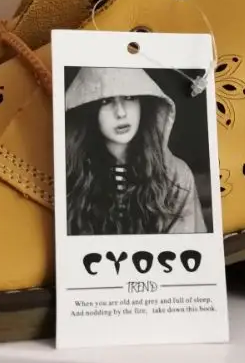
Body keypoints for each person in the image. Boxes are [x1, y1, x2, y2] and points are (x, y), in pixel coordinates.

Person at [64, 66, 207, 236]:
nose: (121, 113)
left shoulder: (176, 175)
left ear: (143, 104)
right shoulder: (70, 173)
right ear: (87, 108)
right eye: (106, 101)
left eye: (129, 98)